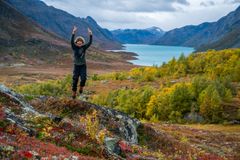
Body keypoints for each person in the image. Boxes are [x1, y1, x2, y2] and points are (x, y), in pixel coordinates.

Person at [71, 26, 93, 99]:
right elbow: (71, 42)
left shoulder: (84, 47)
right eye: (78, 42)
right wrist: (73, 33)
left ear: (82, 43)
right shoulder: (74, 47)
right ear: (76, 43)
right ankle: (74, 93)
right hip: (76, 66)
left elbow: (89, 43)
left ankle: (81, 87)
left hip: (83, 65)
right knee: (75, 79)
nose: (79, 43)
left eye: (81, 42)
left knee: (83, 78)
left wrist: (90, 34)